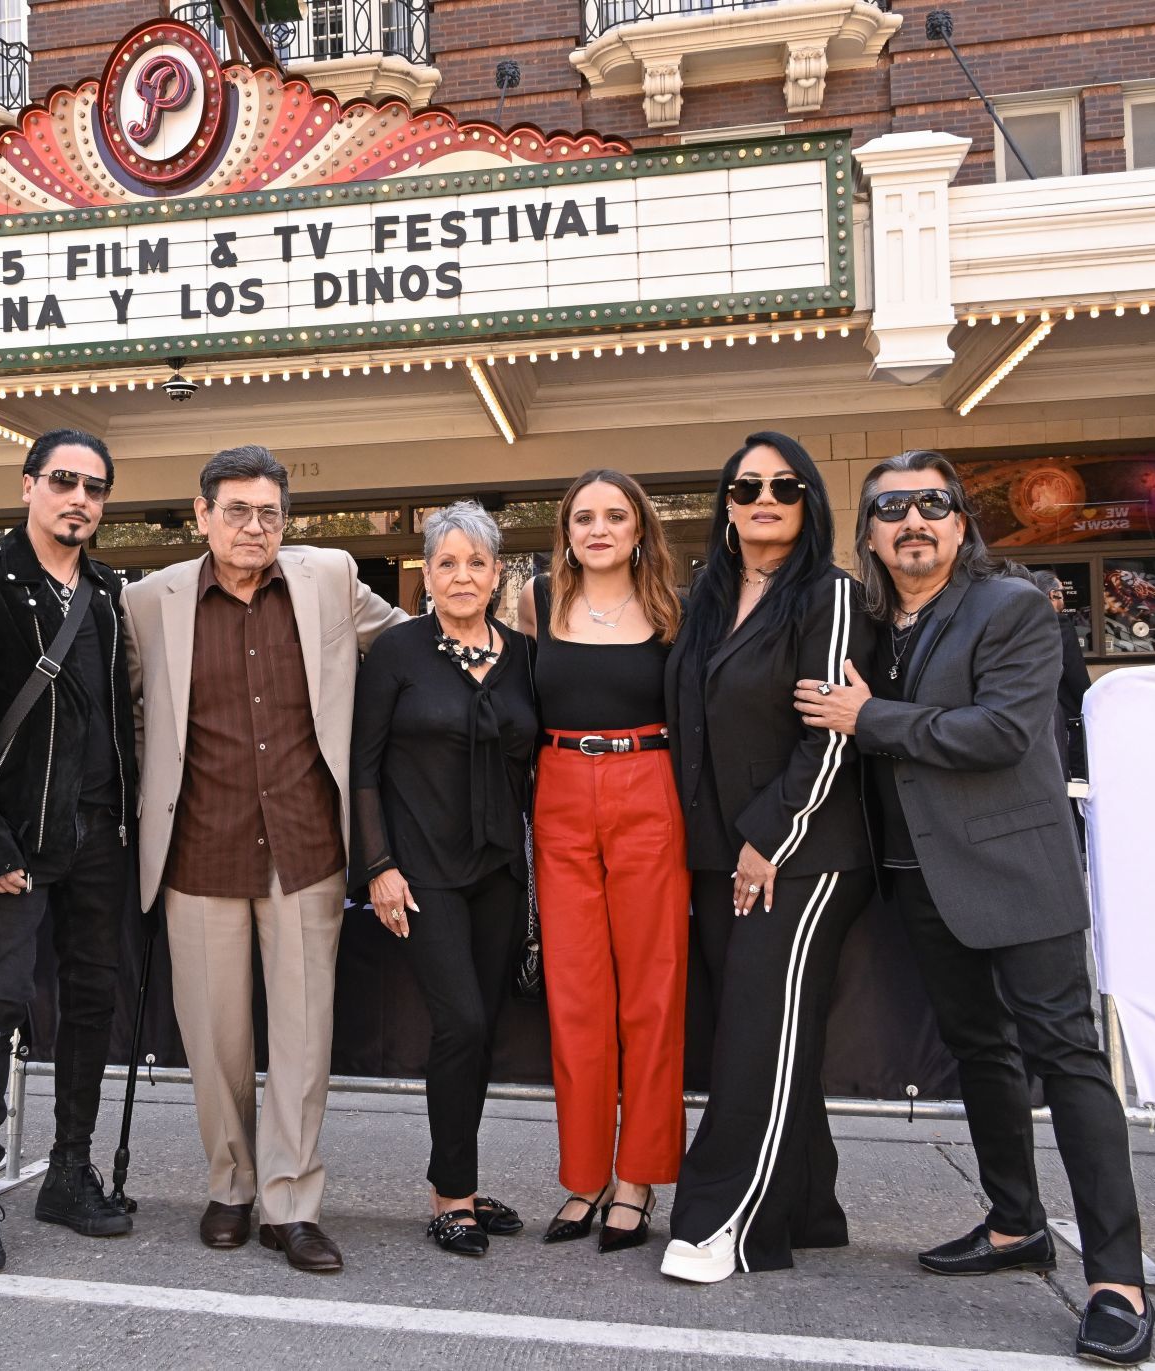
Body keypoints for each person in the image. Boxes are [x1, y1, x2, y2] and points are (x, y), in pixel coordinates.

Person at [796, 450, 1155, 1366]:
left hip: (1016, 872)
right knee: (979, 1052)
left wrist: (865, 717)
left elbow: (1001, 732)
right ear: (870, 533)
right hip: (918, 878)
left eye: (931, 504)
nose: (911, 521)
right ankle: (1013, 1223)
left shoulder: (1014, 607)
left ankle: (1116, 1278)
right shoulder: (873, 625)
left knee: (1067, 1060)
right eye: (891, 509)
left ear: (961, 521)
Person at [122, 445, 405, 1274]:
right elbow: (126, 709)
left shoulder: (330, 577)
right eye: (237, 510)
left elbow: (413, 644)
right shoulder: (149, 599)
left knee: (303, 1039)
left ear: (288, 518)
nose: (255, 526)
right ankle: (232, 1186)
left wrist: (529, 630)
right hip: (197, 849)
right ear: (202, 513)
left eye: (270, 512)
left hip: (307, 847)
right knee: (213, 1042)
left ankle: (290, 1202)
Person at [659, 433, 876, 1284]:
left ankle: (732, 1225)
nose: (764, 497)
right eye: (747, 485)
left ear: (808, 501)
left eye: (785, 486)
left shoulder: (831, 595)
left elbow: (830, 735)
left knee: (757, 1038)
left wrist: (768, 840)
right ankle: (811, 1208)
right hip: (720, 856)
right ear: (726, 500)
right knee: (765, 1032)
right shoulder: (707, 597)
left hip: (805, 854)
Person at [0, 429, 139, 1273]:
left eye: (93, 487)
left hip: (98, 836)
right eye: (64, 481)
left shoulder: (106, 592)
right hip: (17, 838)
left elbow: (119, 720)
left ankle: (68, 1169)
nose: (78, 498)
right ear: (28, 487)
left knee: (91, 1001)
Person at [349, 501, 538, 1256]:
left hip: (500, 871)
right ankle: (451, 1195)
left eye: (477, 562)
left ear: (497, 573)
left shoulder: (524, 656)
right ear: (426, 574)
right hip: (421, 873)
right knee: (459, 1020)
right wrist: (379, 868)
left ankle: (453, 1179)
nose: (462, 575)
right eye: (447, 563)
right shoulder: (397, 653)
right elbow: (362, 769)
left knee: (482, 1029)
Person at [516, 468, 686, 1255]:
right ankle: (584, 1173)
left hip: (647, 783)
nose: (599, 527)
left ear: (640, 527)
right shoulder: (535, 603)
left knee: (650, 991)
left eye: (616, 515)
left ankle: (638, 1177)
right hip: (559, 789)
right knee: (576, 993)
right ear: (567, 531)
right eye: (584, 516)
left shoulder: (670, 610)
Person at [1030, 570, 1091, 782]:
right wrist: (1089, 702)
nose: (1063, 600)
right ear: (1051, 595)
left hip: (1032, 715)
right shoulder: (1058, 624)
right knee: (1075, 776)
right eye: (1061, 593)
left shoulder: (1022, 625)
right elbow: (1075, 674)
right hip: (1065, 714)